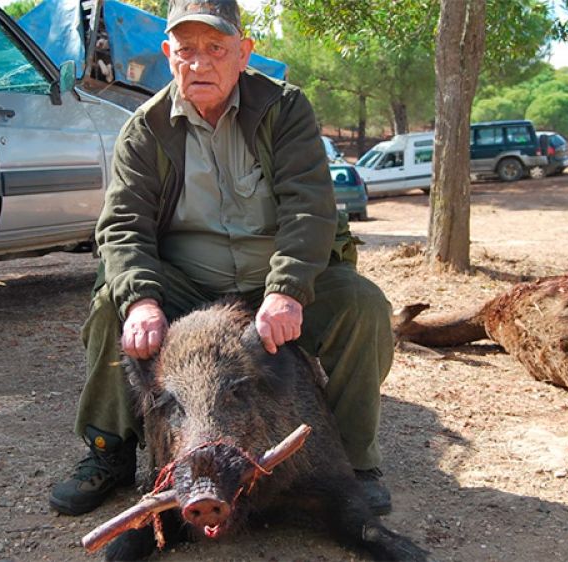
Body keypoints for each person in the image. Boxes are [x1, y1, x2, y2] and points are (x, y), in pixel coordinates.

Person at [49, 0, 395, 517]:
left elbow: (309, 207)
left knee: (363, 307)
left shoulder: (285, 109)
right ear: (168, 55)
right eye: (186, 50)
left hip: (273, 276)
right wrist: (142, 301)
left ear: (243, 53)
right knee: (110, 310)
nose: (200, 63)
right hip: (189, 282)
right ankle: (109, 452)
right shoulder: (144, 130)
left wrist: (288, 290)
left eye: (216, 48)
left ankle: (352, 460)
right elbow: (123, 227)